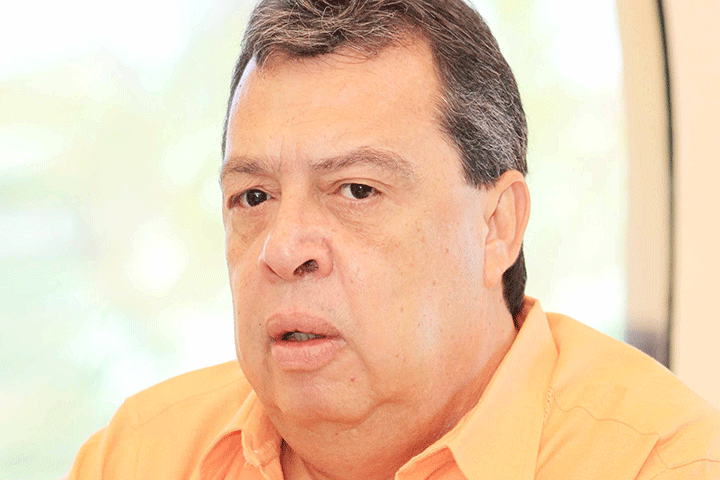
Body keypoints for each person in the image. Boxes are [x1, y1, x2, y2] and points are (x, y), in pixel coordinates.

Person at [64, 0, 720, 478]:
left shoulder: (662, 464)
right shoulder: (136, 456)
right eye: (254, 197)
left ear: (498, 226)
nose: (283, 250)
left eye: (356, 190)